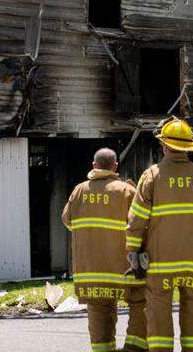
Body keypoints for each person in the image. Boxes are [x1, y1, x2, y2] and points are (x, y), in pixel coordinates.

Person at [126, 117, 193, 351]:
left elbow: (136, 220)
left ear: (164, 146)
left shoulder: (152, 175)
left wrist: (133, 252)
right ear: (188, 147)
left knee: (158, 311)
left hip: (160, 262)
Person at [61, 147, 147, 352]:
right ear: (115, 167)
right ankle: (134, 347)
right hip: (123, 270)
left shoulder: (79, 190)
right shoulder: (126, 191)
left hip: (91, 271)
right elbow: (142, 225)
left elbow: (67, 221)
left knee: (98, 309)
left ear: (93, 166)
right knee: (141, 301)